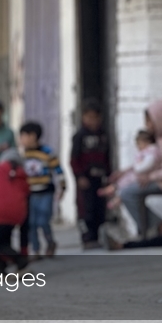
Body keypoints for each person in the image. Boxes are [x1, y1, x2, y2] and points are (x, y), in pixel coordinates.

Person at [118, 98, 162, 239]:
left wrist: (152, 177)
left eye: (150, 121)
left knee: (127, 194)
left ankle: (150, 227)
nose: (148, 125)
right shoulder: (161, 138)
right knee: (126, 189)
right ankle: (156, 225)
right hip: (159, 179)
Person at [19, 122, 65, 258]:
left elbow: (58, 171)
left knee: (43, 220)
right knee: (31, 223)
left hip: (46, 191)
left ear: (33, 136)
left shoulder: (47, 153)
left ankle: (50, 242)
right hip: (30, 193)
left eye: (24, 136)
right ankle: (36, 249)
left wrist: (62, 187)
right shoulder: (22, 155)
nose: (22, 140)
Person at [70, 99, 111, 248]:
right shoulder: (79, 136)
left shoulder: (103, 135)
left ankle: (97, 236)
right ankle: (87, 238)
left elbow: (107, 157)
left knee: (99, 207)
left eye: (95, 118)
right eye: (89, 117)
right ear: (83, 118)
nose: (92, 121)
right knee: (86, 208)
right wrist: (79, 176)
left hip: (100, 177)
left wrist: (109, 175)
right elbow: (74, 159)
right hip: (85, 178)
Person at [98, 130, 159, 211]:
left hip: (142, 176)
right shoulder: (145, 152)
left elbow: (143, 166)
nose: (139, 147)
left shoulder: (151, 152)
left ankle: (115, 197)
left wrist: (137, 167)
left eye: (140, 144)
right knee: (124, 180)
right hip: (138, 173)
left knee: (126, 186)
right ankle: (112, 189)